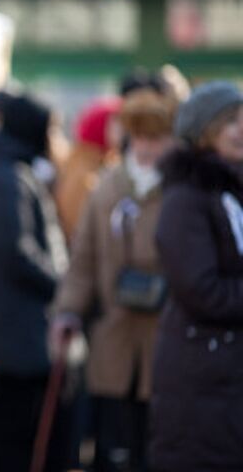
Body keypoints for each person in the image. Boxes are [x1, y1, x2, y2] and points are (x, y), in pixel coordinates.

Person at [51, 88, 176, 472]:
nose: (147, 148)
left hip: (165, 333)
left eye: (156, 138)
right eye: (140, 137)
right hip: (114, 330)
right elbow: (83, 259)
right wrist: (67, 311)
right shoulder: (107, 186)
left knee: (158, 443)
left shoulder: (179, 188)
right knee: (113, 444)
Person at [149, 81, 243, 472]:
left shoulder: (229, 191)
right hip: (203, 378)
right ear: (204, 132)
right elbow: (202, 290)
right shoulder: (186, 198)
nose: (241, 130)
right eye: (230, 121)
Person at [0, 94, 70, 472]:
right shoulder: (9, 176)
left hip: (19, 323)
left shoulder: (14, 170)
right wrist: (62, 286)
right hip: (20, 326)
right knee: (12, 428)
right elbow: (18, 252)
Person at [55, 97, 122, 241]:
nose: (124, 130)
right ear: (101, 128)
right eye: (117, 124)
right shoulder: (85, 175)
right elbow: (79, 229)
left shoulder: (100, 163)